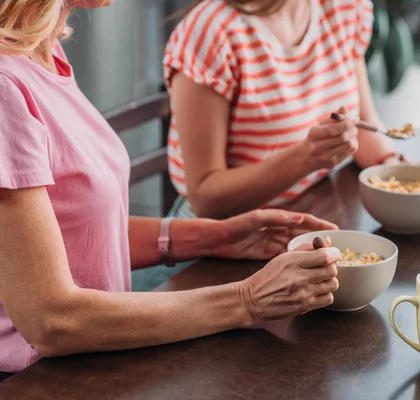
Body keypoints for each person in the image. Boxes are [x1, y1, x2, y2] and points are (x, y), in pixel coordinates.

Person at [0, 0, 342, 379]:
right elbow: (52, 322)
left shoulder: (40, 50)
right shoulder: (4, 87)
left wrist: (215, 238)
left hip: (98, 356)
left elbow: (73, 233)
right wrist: (247, 300)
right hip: (35, 380)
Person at [164, 0, 410, 219]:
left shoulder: (344, 7)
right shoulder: (210, 32)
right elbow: (205, 199)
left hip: (308, 215)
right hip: (217, 242)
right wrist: (306, 158)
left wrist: (394, 168)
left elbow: (363, 125)